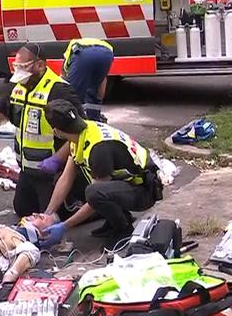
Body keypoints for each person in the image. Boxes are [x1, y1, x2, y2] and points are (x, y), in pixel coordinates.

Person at [0, 44, 84, 218]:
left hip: (51, 172)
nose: (19, 72)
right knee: (22, 209)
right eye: (17, 66)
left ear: (40, 65)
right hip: (27, 168)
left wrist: (56, 159)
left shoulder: (59, 90)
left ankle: (86, 208)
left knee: (52, 216)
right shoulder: (18, 87)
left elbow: (81, 132)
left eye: (24, 67)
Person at [40, 100, 159, 250]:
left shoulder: (98, 148)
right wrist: (48, 213)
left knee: (94, 192)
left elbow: (94, 199)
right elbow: (66, 178)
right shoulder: (81, 134)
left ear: (56, 131)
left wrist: (64, 226)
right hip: (128, 183)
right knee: (83, 184)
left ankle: (123, 229)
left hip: (145, 191)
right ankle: (116, 219)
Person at [62, 38, 114, 121]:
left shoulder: (68, 57)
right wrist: (99, 98)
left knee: (73, 93)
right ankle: (95, 119)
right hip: (107, 53)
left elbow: (64, 79)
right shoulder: (80, 43)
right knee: (94, 91)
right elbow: (103, 81)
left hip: (83, 53)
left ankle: (74, 120)